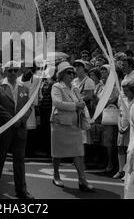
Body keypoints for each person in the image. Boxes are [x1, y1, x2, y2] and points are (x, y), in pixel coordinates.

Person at [50, 61, 95, 193]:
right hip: (60, 124)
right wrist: (76, 106)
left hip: (74, 124)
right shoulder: (57, 86)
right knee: (57, 152)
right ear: (62, 74)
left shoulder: (74, 88)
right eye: (69, 72)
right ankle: (56, 174)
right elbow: (57, 103)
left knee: (78, 152)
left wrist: (80, 105)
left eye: (73, 72)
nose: (72, 75)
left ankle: (82, 180)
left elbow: (80, 101)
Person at [0, 61, 34, 199]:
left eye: (15, 70)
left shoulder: (24, 87)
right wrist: (12, 120)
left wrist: (21, 120)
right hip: (4, 128)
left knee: (19, 160)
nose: (12, 73)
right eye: (9, 70)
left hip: (20, 128)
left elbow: (29, 106)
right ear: (4, 71)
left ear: (19, 72)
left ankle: (21, 190)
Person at [114, 81, 134, 180]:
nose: (125, 93)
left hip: (131, 129)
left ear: (133, 91)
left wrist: (127, 127)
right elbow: (120, 113)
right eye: (124, 91)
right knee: (120, 148)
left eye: (127, 91)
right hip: (121, 128)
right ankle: (121, 170)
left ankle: (128, 172)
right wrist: (119, 125)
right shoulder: (123, 100)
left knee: (129, 150)